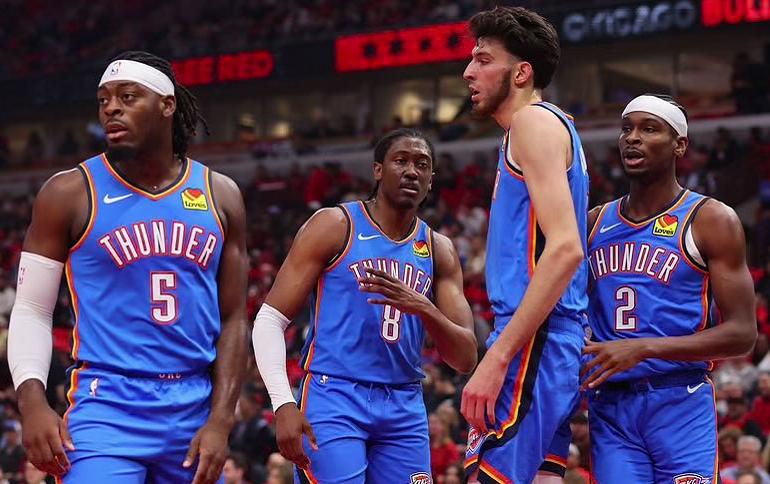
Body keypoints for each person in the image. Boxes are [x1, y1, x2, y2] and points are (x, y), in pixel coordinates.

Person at [7, 51, 249, 483]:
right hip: (107, 405)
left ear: (167, 105)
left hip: (194, 406)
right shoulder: (68, 192)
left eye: (128, 96)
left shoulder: (221, 194)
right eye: (104, 99)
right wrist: (32, 402)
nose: (111, 108)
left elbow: (234, 317)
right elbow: (31, 310)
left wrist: (221, 420)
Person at [253, 128, 477, 483]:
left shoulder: (439, 249)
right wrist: (282, 402)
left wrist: (425, 308)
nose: (411, 171)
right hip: (335, 394)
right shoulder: (334, 225)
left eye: (422, 165)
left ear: (432, 180)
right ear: (377, 170)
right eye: (400, 161)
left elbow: (465, 357)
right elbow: (269, 320)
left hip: (404, 401)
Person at [582, 94, 757, 483]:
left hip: (681, 400)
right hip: (611, 408)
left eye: (649, 129)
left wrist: (644, 348)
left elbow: (743, 333)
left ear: (679, 144)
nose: (632, 138)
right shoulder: (594, 222)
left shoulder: (710, 219)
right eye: (626, 129)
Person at [460, 6, 589, 483]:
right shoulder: (548, 127)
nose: (468, 71)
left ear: (521, 73)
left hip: (535, 337)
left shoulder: (532, 122)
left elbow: (566, 248)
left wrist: (497, 358)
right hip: (550, 337)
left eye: (483, 59)